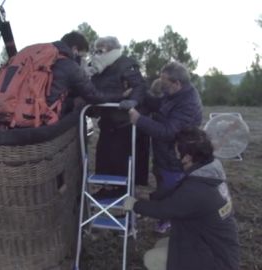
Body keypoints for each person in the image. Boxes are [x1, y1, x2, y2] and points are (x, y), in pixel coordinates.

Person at [123, 127, 240, 270]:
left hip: (217, 261)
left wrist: (136, 205)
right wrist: (149, 196)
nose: (175, 153)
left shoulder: (197, 190)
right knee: (162, 244)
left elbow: (164, 210)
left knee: (152, 258)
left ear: (188, 156)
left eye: (178, 150)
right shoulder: (209, 171)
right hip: (215, 245)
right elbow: (176, 191)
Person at [126, 61, 203, 232]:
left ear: (177, 83)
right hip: (164, 155)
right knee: (162, 185)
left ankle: (173, 224)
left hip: (176, 158)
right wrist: (139, 94)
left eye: (165, 83)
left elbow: (168, 131)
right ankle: (164, 219)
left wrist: (139, 119)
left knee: (170, 190)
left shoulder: (188, 103)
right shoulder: (175, 94)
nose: (162, 85)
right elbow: (159, 105)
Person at [84, 36, 149, 197]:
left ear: (112, 50)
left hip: (124, 123)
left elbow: (139, 86)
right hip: (107, 120)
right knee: (104, 157)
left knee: (121, 158)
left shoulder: (127, 64)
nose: (97, 54)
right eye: (96, 50)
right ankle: (107, 188)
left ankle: (123, 193)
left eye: (101, 50)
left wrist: (133, 99)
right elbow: (94, 92)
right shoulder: (97, 68)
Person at [46, 32, 130, 115]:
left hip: (36, 111)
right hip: (50, 116)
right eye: (82, 56)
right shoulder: (70, 66)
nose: (83, 61)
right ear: (75, 49)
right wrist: (121, 95)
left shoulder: (45, 57)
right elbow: (93, 95)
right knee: (77, 116)